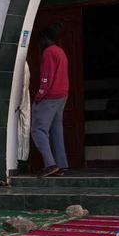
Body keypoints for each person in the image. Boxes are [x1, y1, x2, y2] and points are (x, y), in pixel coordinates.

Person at [31, 25, 69, 177]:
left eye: (41, 40)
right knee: (56, 130)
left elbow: (46, 77)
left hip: (50, 96)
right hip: (62, 95)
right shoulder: (61, 51)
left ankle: (50, 164)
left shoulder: (48, 52)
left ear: (45, 39)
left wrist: (39, 96)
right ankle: (61, 164)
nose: (40, 43)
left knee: (38, 129)